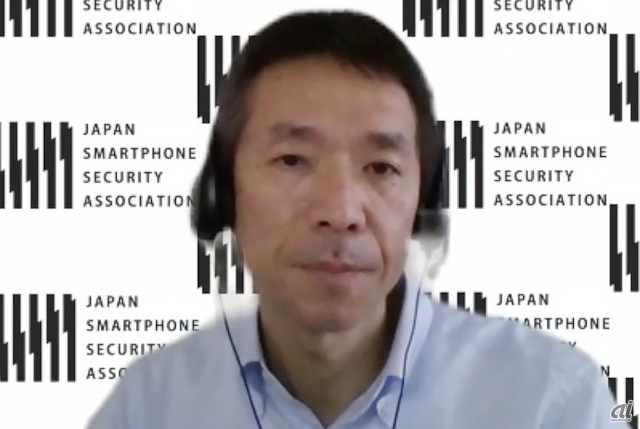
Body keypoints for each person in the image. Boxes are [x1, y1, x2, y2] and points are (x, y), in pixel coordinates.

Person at [86, 10, 621, 429]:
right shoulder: (150, 406)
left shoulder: (551, 403)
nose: (341, 213)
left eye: (381, 167)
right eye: (292, 160)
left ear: (422, 204)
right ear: (224, 195)